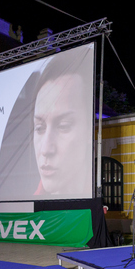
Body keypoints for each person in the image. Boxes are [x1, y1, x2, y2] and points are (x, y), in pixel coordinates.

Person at [32, 50, 92, 197]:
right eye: (39, 128)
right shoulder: (26, 207)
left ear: (90, 131)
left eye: (63, 126)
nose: (46, 149)